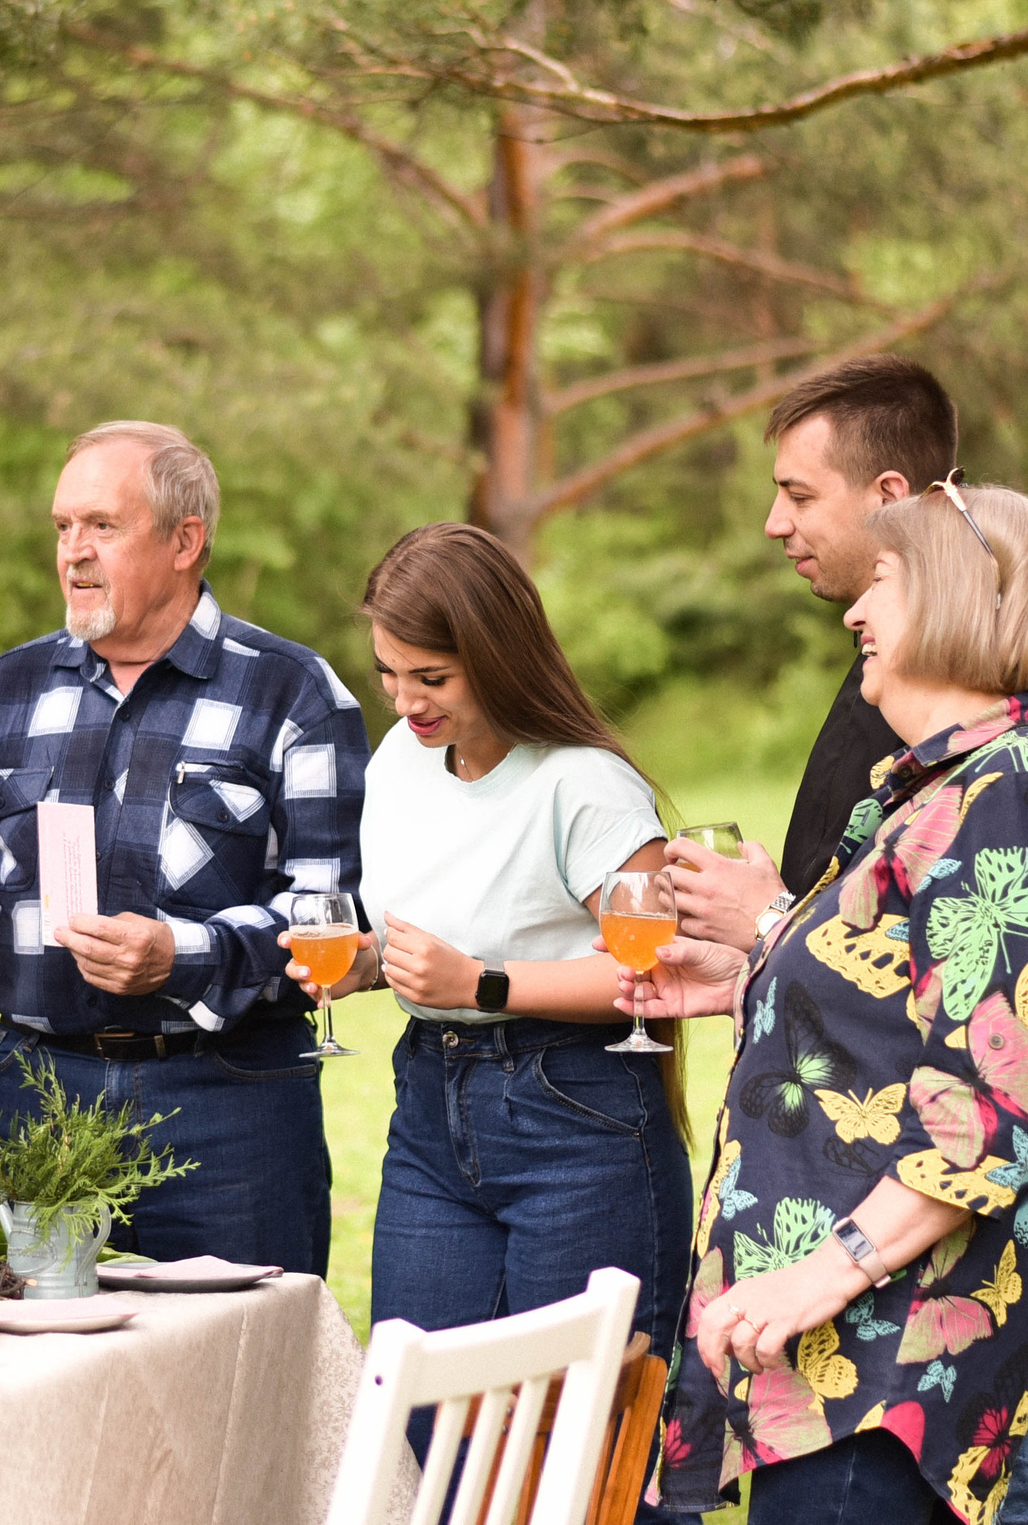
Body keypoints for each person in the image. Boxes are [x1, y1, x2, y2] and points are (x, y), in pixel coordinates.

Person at [627, 480, 1028, 1525]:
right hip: (831, 1363)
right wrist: (751, 982)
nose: (854, 611)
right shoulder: (936, 791)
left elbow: (987, 1109)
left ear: (958, 591)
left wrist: (817, 1275)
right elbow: (906, 1018)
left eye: (882, 583)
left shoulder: (1011, 796)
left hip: (880, 1361)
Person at [0, 421, 369, 1274]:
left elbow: (332, 916)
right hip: (34, 1094)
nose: (73, 552)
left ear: (186, 540)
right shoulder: (1, 691)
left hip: (229, 1103)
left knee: (241, 1381)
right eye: (63, 527)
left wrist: (180, 956)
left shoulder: (293, 693)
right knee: (32, 1384)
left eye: (102, 526)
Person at [293, 522, 690, 1525]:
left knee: (579, 1445)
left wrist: (485, 982)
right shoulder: (398, 760)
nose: (405, 700)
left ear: (496, 654)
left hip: (578, 1119)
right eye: (387, 672)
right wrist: (367, 968)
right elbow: (417, 942)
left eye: (430, 675)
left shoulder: (586, 784)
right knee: (430, 1432)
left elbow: (653, 972)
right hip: (432, 1112)